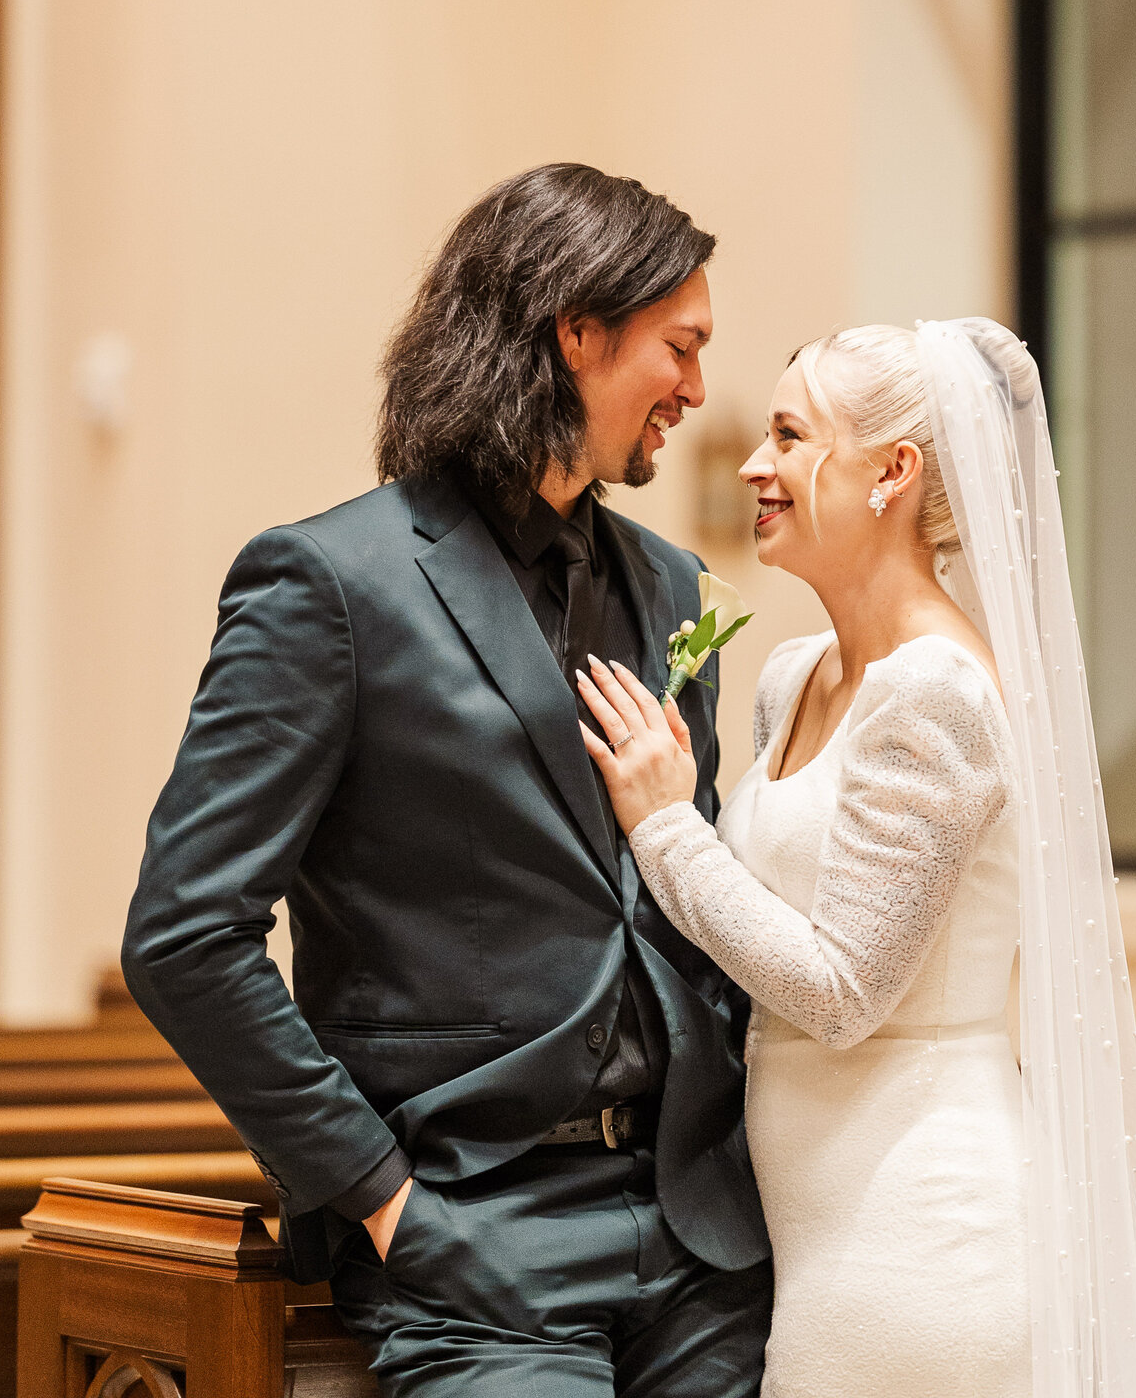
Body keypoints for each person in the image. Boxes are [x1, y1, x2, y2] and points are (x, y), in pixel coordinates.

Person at [122, 163, 771, 1398]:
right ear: (577, 330)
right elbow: (183, 931)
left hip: (699, 1244)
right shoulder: (329, 585)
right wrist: (386, 1202)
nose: (694, 389)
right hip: (475, 1232)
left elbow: (688, 902)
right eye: (677, 347)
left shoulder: (673, 589)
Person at [579, 318, 1136, 1398]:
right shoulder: (796, 674)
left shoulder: (936, 693)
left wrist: (665, 825)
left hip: (922, 1236)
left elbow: (843, 989)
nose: (753, 465)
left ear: (893, 473)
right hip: (814, 1232)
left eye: (788, 433)